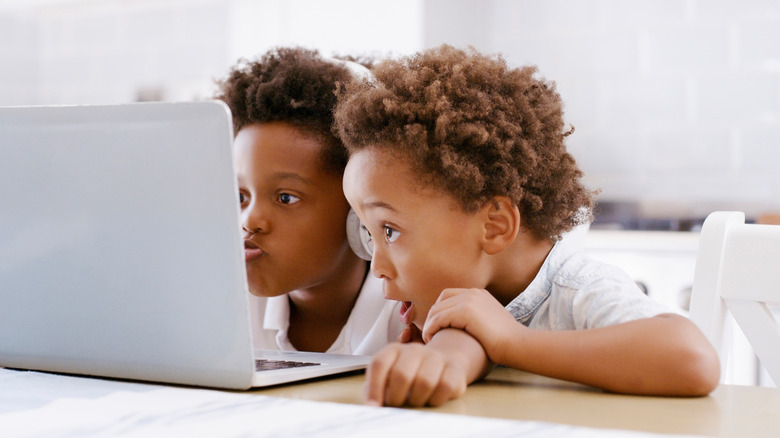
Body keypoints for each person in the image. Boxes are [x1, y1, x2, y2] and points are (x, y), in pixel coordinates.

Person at [333, 45, 721, 406]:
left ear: (495, 226)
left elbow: (693, 360)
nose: (377, 266)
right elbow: (468, 345)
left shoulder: (576, 291)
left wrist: (513, 341)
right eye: (369, 233)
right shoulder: (472, 298)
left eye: (390, 230)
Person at [214, 47, 403, 355]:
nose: (249, 221)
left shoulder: (409, 311)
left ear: (358, 213)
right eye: (241, 197)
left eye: (285, 198)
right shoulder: (223, 303)